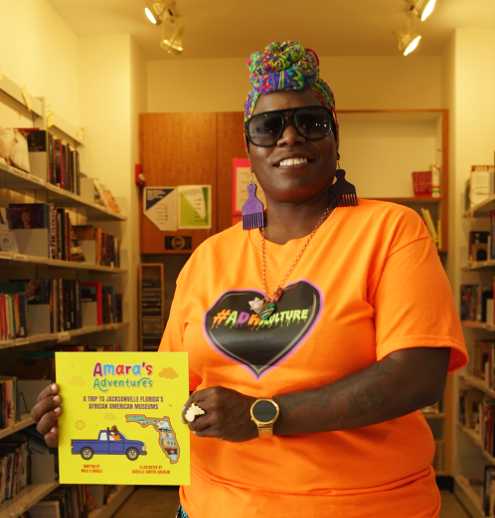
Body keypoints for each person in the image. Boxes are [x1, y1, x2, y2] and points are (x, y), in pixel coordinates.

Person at [31, 41, 468, 518]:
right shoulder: (207, 258)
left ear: (335, 136)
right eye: (268, 127)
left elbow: (417, 376)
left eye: (311, 122)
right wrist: (84, 420)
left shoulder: (391, 230)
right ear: (250, 146)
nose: (290, 138)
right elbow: (168, 396)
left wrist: (265, 414)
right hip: (211, 504)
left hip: (362, 507)